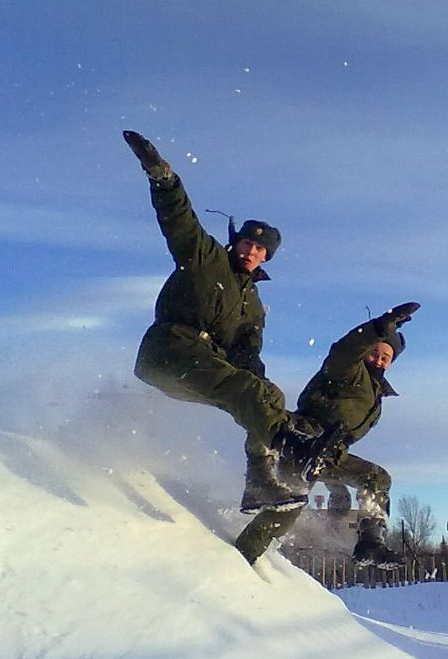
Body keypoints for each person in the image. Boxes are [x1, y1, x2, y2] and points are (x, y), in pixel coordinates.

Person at [123, 130, 322, 511]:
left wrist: (283, 414)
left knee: (265, 392)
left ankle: (261, 482)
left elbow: (249, 360)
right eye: (248, 242)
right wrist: (164, 179)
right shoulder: (205, 257)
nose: (252, 251)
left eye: (260, 249)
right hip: (169, 351)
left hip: (202, 366)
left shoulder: (253, 307)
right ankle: (292, 451)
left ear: (267, 257)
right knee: (248, 390)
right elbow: (180, 220)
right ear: (237, 241)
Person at [234, 302, 419, 567]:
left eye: (385, 357)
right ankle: (242, 555)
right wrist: (376, 329)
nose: (378, 360)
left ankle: (370, 542)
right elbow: (344, 351)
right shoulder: (348, 371)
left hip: (330, 453)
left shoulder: (375, 394)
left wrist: (336, 486)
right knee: (289, 503)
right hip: (304, 440)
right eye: (375, 352)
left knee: (376, 478)